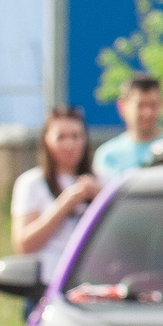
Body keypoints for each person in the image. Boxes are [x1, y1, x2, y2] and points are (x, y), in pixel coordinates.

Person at [9, 105, 100, 257]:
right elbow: (23, 245)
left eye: (76, 136)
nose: (69, 145)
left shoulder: (104, 179)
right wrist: (64, 204)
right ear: (46, 141)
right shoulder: (31, 183)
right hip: (49, 278)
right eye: (61, 137)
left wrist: (102, 197)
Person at [91, 74, 163, 183]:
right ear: (122, 106)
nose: (147, 113)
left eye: (153, 105)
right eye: (140, 105)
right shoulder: (108, 156)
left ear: (162, 105)